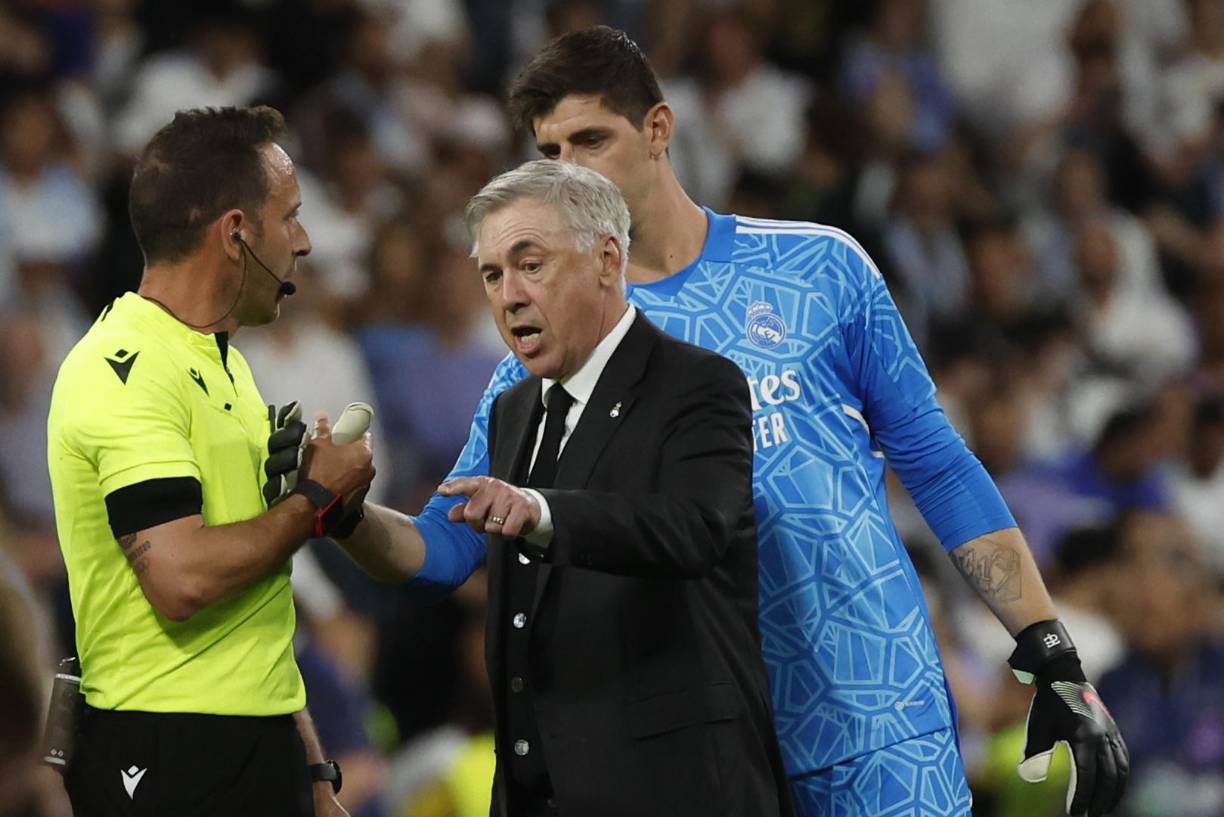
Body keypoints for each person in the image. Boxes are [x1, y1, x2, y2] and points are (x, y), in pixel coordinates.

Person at [374, 27, 1128, 817]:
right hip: (714, 763)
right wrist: (341, 512)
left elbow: (938, 465)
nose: (570, 172)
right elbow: (446, 545)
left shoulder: (819, 268)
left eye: (590, 140)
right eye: (550, 153)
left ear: (658, 128)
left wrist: (1050, 652)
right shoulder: (549, 354)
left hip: (882, 719)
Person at [338, 159, 791, 816]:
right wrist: (343, 512)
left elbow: (694, 529)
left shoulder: (698, 385)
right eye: (492, 274)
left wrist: (540, 511)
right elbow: (439, 556)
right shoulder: (512, 411)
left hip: (675, 790)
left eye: (531, 265)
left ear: (607, 260)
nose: (509, 295)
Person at [46, 106, 374, 817]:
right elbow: (183, 578)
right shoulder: (123, 367)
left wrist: (314, 768)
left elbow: (257, 603)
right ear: (235, 233)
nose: (304, 241)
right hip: (165, 751)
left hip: (260, 744)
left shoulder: (227, 366)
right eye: (290, 216)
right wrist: (314, 498)